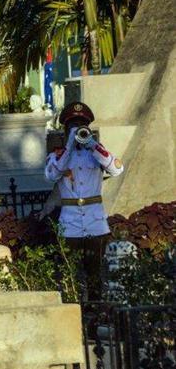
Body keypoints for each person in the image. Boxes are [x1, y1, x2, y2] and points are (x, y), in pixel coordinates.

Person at [44, 101, 123, 300]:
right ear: (65, 129)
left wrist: (93, 145)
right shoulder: (58, 156)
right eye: (73, 126)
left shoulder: (96, 153)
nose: (77, 130)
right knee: (69, 277)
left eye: (81, 125)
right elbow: (52, 175)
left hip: (95, 223)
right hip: (70, 224)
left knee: (96, 276)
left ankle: (98, 318)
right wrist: (69, 147)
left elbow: (116, 169)